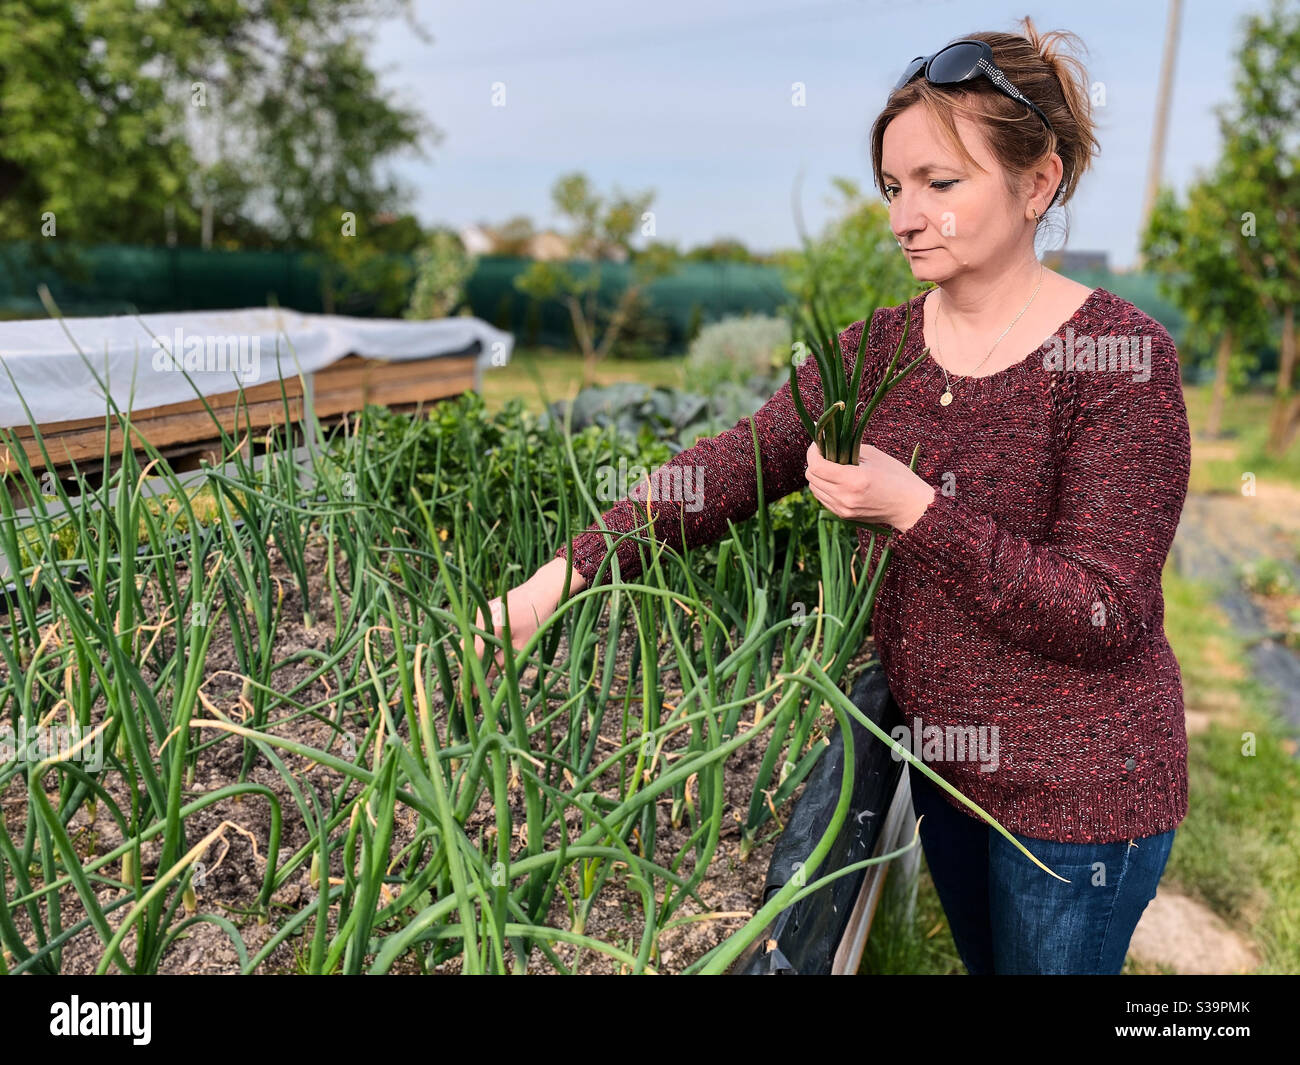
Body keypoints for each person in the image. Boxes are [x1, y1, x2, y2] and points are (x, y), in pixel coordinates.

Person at [475, 18, 1190, 975]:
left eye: (941, 183)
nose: (904, 215)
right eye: (894, 187)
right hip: (946, 769)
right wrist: (557, 580)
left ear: (1038, 182)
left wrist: (915, 511)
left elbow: (1104, 612)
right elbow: (725, 470)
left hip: (1081, 798)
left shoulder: (1119, 361)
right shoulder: (875, 351)